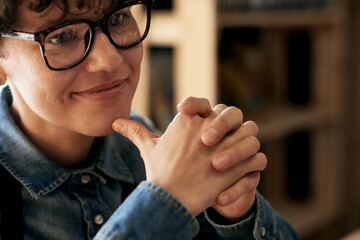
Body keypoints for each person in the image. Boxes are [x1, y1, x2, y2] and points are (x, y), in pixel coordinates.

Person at [0, 0, 299, 239]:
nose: (110, 60)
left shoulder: (146, 149)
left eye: (117, 18)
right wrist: (166, 201)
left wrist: (235, 214)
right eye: (61, 36)